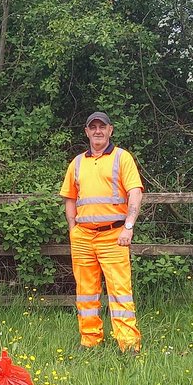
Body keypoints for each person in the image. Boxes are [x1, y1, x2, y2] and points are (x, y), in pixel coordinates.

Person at [59, 111, 145, 353]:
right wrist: (73, 228)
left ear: (110, 130)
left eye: (102, 127)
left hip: (114, 235)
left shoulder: (122, 158)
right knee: (85, 292)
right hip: (83, 236)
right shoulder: (76, 162)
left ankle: (128, 345)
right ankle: (90, 342)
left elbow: (135, 193)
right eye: (93, 127)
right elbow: (70, 198)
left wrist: (128, 226)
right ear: (86, 132)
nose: (98, 131)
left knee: (120, 291)